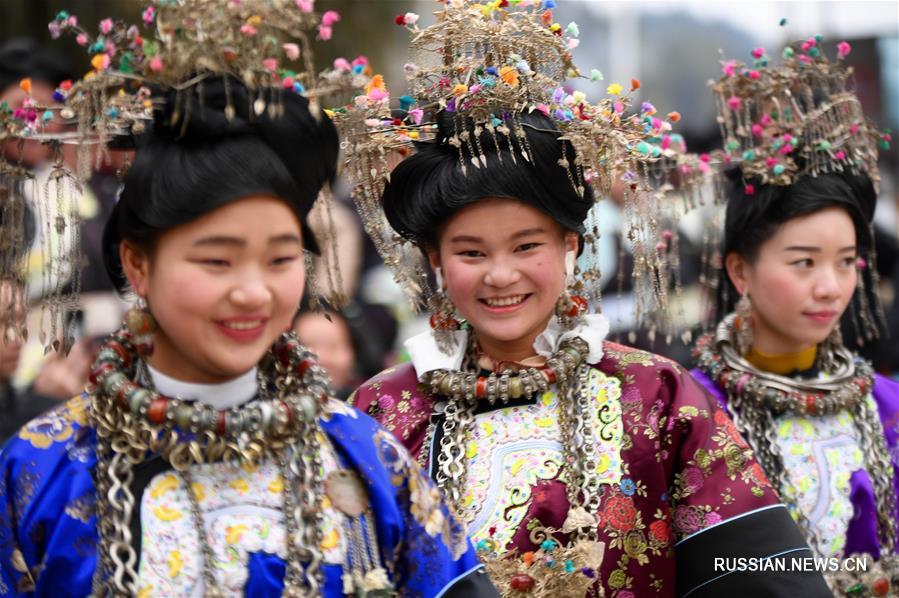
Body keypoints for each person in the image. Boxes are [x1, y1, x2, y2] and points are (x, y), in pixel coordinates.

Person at [0, 4, 493, 596]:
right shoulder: (41, 468)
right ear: (137, 264)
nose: (253, 292)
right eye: (217, 260)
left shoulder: (366, 457)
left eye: (281, 259)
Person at [345, 2, 830, 596]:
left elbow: (764, 573)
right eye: (471, 253)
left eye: (527, 246)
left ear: (570, 245)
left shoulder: (658, 398)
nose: (501, 275)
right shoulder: (382, 413)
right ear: (436, 260)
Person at [691, 35, 899, 596]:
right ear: (740, 270)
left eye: (847, 262)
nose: (830, 287)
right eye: (804, 262)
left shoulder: (888, 407)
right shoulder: (690, 413)